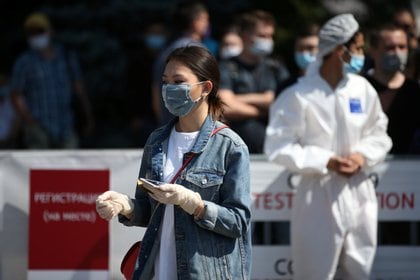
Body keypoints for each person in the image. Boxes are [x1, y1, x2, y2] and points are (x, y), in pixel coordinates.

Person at [96, 46, 252, 279]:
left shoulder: (231, 146)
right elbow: (151, 211)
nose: (169, 89)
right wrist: (126, 207)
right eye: (165, 81)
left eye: (178, 81)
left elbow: (238, 222)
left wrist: (196, 205)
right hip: (159, 270)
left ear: (206, 88)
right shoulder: (157, 140)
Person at [264, 14, 392, 280]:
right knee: (314, 272)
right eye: (356, 49)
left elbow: (379, 133)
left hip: (359, 190)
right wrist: (325, 161)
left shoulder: (362, 89)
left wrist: (362, 156)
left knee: (360, 270)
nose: (360, 55)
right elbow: (277, 145)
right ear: (338, 49)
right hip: (316, 196)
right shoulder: (298, 96)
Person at [10, 12, 94, 149]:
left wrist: (88, 115)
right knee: (40, 167)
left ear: (50, 31)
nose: (36, 36)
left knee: (69, 167)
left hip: (66, 125)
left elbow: (78, 88)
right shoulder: (24, 62)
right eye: (32, 33)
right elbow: (15, 94)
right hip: (38, 127)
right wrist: (29, 120)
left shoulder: (65, 57)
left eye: (40, 31)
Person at [218, 9, 289, 153]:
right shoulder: (227, 67)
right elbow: (224, 106)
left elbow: (285, 103)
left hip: (274, 152)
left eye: (270, 36)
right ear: (245, 36)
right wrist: (263, 106)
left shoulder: (275, 68)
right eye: (262, 36)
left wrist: (236, 99)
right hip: (235, 153)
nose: (268, 41)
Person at [151, 0, 210, 126]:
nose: (207, 24)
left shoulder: (166, 50)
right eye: (205, 19)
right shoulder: (196, 51)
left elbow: (156, 93)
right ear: (195, 21)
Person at [364, 24, 420, 154]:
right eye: (390, 48)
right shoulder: (359, 90)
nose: (397, 53)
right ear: (373, 51)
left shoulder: (416, 93)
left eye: (402, 47)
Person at [277, 23, 320, 94]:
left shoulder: (333, 84)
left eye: (310, 48)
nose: (304, 52)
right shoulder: (285, 87)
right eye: (300, 48)